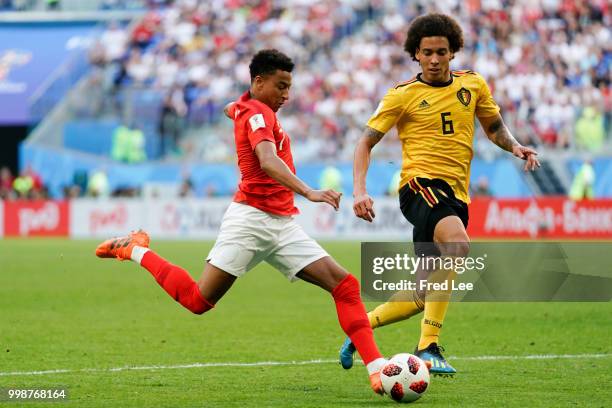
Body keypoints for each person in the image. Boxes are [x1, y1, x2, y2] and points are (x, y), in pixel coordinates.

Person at [96, 49, 387, 395]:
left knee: (345, 285)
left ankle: (378, 369)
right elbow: (267, 160)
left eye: (289, 87)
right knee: (197, 301)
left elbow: (230, 108)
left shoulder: (246, 108)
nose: (286, 95)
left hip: (282, 224)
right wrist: (308, 192)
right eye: (280, 86)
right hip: (249, 221)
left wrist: (236, 107)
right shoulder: (257, 113)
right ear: (259, 82)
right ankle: (135, 250)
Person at [339, 13, 540, 375]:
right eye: (427, 52)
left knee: (421, 294)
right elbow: (365, 142)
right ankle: (428, 347)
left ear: (453, 53)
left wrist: (516, 147)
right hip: (419, 186)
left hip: (456, 195)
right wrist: (359, 190)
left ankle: (360, 328)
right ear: (415, 53)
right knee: (459, 246)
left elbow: (493, 128)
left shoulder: (473, 85)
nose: (434, 59)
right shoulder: (402, 95)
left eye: (441, 52)